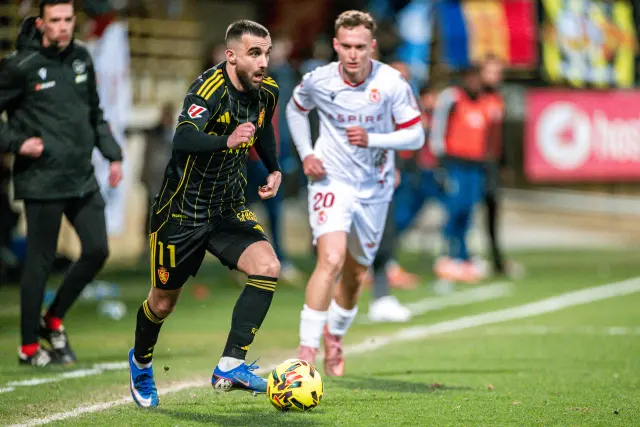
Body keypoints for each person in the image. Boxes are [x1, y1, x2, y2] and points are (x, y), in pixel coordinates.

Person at [128, 20, 282, 408]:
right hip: (182, 213)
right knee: (162, 303)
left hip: (227, 207)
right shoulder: (208, 89)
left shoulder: (268, 90)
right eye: (254, 53)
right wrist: (225, 140)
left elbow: (262, 128)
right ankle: (141, 362)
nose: (263, 62)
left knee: (268, 267)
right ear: (231, 56)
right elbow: (182, 138)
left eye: (266, 53)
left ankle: (230, 365)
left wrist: (273, 168)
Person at [287, 10, 424, 376]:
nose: (352, 54)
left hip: (374, 188)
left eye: (360, 47)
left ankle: (334, 335)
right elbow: (295, 110)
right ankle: (305, 352)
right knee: (330, 259)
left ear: (371, 46)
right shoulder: (318, 80)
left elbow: (415, 135)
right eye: (346, 46)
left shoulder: (391, 82)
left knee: (355, 275)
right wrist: (307, 153)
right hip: (331, 181)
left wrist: (374, 139)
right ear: (336, 44)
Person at [0, 0, 123, 367]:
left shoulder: (82, 57)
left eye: (68, 19)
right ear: (41, 23)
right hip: (41, 179)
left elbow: (95, 113)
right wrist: (17, 143)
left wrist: (113, 154)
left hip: (81, 176)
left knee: (97, 250)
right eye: (55, 20)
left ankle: (53, 318)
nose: (64, 26)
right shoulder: (20, 65)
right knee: (39, 262)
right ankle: (28, 348)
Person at [431, 65, 490, 283]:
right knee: (454, 209)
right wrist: (440, 162)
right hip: (454, 163)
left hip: (475, 166)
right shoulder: (453, 98)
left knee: (468, 210)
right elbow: (438, 129)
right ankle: (448, 254)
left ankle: (463, 256)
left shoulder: (485, 102)